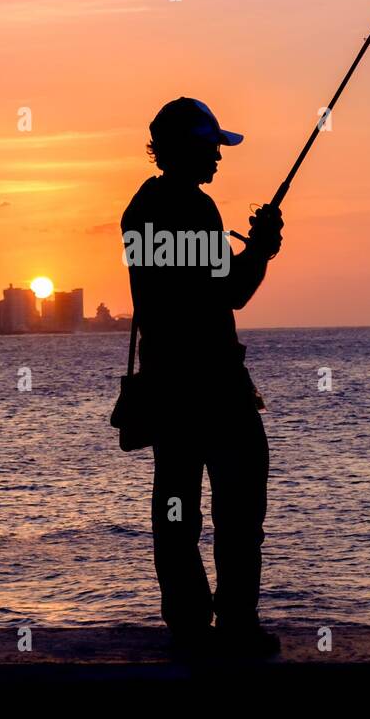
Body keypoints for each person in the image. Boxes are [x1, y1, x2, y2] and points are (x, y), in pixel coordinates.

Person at [121, 97, 284, 657]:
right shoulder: (196, 209)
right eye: (212, 147)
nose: (218, 158)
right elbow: (227, 293)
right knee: (239, 509)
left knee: (176, 509)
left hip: (167, 382)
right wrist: (260, 250)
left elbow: (192, 290)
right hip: (212, 385)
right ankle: (235, 625)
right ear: (189, 147)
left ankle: (189, 627)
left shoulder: (139, 209)